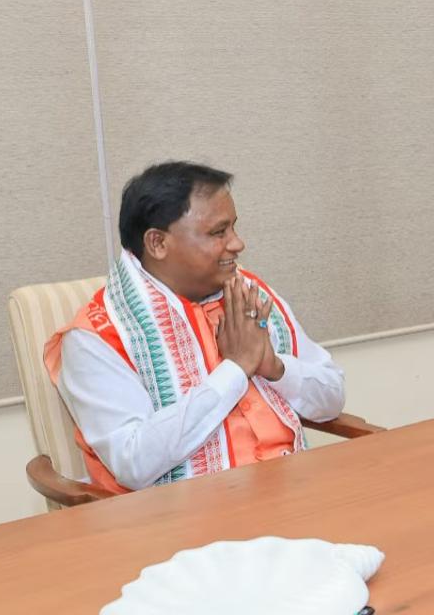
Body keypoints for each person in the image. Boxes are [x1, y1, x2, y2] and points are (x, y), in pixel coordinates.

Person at [45, 162, 345, 492]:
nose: (238, 244)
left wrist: (274, 367)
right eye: (219, 232)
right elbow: (133, 462)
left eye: (233, 228)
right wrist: (236, 369)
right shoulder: (98, 336)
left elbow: (332, 398)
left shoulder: (248, 295)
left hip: (291, 493)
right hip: (184, 523)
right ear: (158, 243)